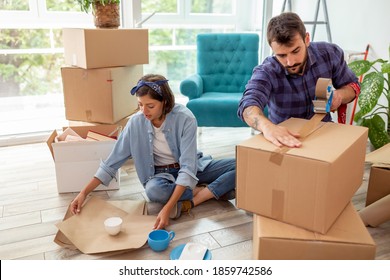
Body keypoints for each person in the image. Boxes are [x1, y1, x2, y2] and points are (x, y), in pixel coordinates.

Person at [70, 74, 236, 230]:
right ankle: (209, 190)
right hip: (161, 175)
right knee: (154, 191)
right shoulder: (135, 123)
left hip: (194, 166)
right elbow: (112, 162)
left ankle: (195, 198)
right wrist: (83, 193)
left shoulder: (186, 118)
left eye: (150, 106)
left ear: (164, 101)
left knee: (242, 165)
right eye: (140, 105)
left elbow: (188, 167)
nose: (144, 111)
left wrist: (166, 209)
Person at [237, 12, 360, 148]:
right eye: (282, 55)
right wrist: (267, 127)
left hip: (324, 133)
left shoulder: (329, 53)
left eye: (296, 51)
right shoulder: (267, 71)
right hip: (286, 140)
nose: (290, 62)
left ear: (307, 39)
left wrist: (340, 96)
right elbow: (248, 106)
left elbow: (353, 85)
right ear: (272, 49)